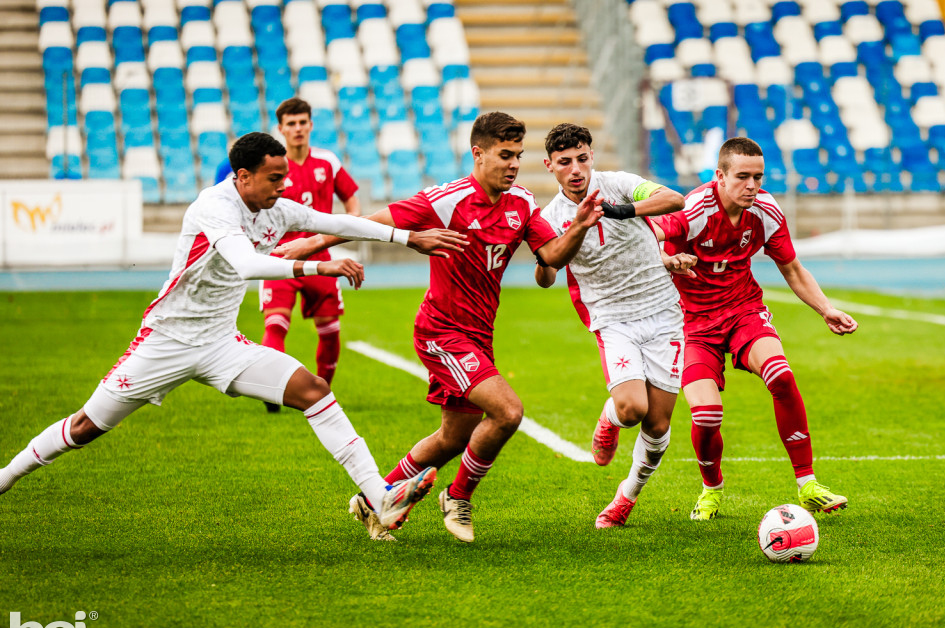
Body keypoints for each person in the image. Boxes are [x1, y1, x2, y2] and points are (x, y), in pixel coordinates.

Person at [0, 132, 469, 535]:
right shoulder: (214, 205)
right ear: (242, 176)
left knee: (314, 390)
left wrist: (409, 238)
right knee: (85, 426)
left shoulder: (276, 208)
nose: (283, 186)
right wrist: (321, 264)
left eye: (284, 176)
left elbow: (339, 221)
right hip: (165, 341)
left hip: (221, 343)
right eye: (273, 178)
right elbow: (246, 265)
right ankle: (6, 476)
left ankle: (379, 499)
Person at [277, 112, 604, 542]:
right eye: (504, 155)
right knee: (507, 412)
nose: (513, 164)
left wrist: (579, 225)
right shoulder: (446, 200)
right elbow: (373, 222)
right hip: (441, 331)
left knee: (452, 438)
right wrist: (313, 243)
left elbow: (552, 257)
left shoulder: (522, 204)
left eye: (518, 156)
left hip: (478, 337)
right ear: (478, 154)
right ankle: (458, 496)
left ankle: (376, 501)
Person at [653, 136, 857, 520]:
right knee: (707, 415)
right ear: (720, 175)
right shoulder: (693, 210)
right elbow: (647, 239)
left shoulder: (765, 210)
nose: (752, 186)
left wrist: (825, 309)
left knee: (781, 375)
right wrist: (667, 259)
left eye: (758, 177)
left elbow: (792, 268)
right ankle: (711, 489)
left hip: (742, 310)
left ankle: (808, 484)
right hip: (692, 323)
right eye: (743, 177)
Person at [533, 123, 696, 529]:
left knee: (658, 426)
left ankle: (626, 497)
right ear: (550, 167)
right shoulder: (549, 217)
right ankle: (609, 419)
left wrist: (621, 209)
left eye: (582, 159)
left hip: (663, 313)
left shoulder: (620, 185)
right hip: (612, 318)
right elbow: (545, 274)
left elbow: (672, 199)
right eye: (565, 162)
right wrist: (575, 230)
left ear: (592, 157)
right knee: (632, 408)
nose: (576, 169)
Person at [254, 97, 362, 414]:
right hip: (280, 258)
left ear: (311, 125)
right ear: (281, 129)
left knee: (330, 331)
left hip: (322, 260)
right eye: (291, 123)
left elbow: (352, 201)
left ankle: (322, 394)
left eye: (303, 122)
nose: (298, 128)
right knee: (276, 325)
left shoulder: (327, 161)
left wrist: (343, 229)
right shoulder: (271, 166)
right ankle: (271, 390)